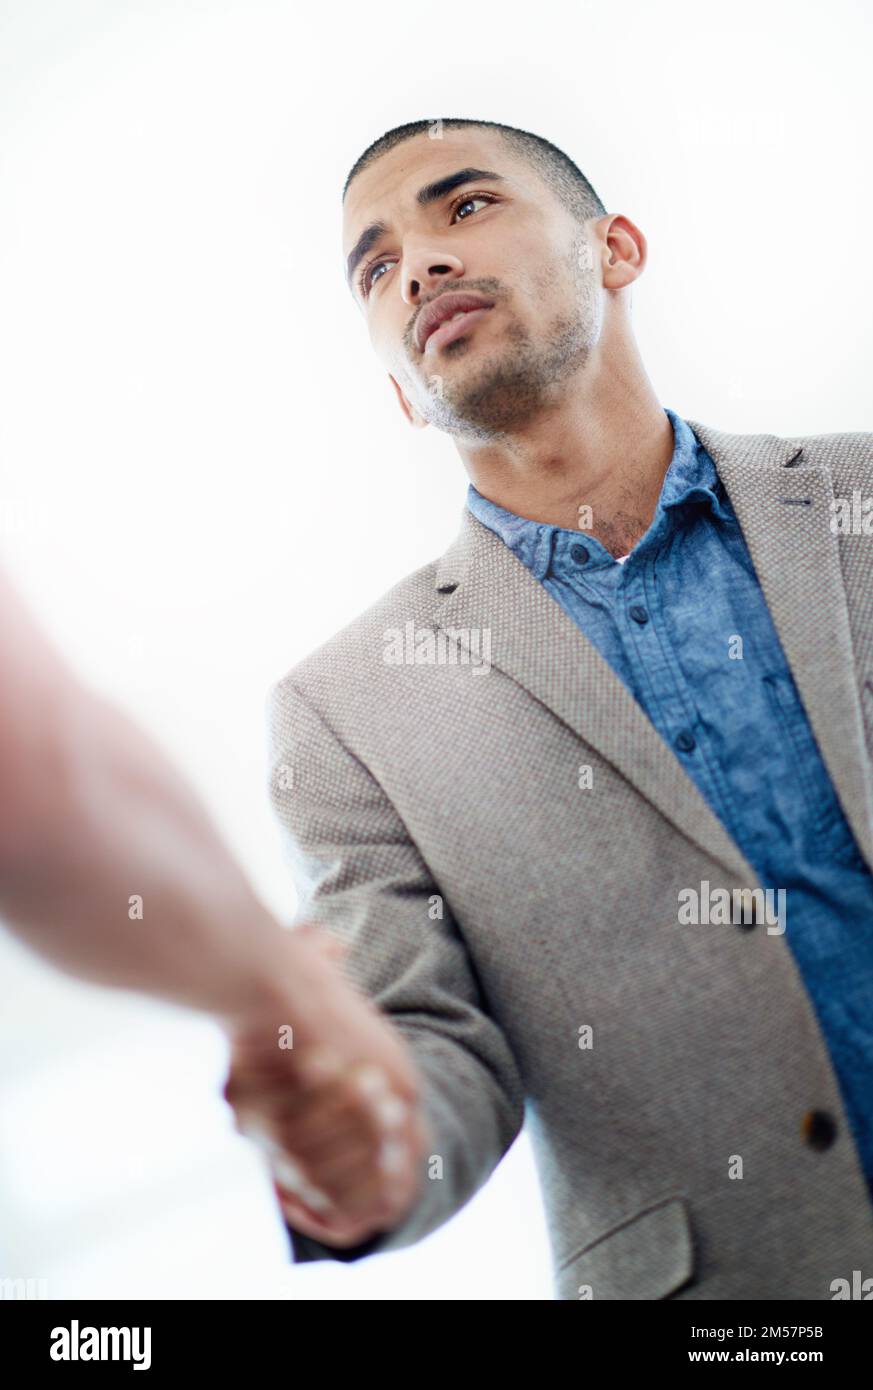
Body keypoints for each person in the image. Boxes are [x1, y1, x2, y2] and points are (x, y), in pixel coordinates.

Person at [244, 116, 873, 1298]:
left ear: (616, 249)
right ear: (399, 397)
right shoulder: (343, 717)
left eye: (465, 206)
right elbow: (428, 1053)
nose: (419, 264)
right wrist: (360, 1140)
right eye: (375, 266)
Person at [0, 561, 427, 1246]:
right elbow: (31, 783)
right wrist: (279, 999)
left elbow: (58, 742)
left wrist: (279, 999)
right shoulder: (338, 701)